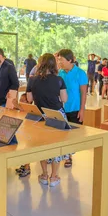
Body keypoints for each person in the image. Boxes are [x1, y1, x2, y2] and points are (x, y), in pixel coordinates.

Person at [25, 53, 69, 185]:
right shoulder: (59, 79)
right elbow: (64, 99)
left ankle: (44, 175)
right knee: (57, 146)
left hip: (40, 115)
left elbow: (29, 99)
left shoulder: (32, 80)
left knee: (42, 145)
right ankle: (54, 177)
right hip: (57, 115)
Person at [57, 49, 88, 168]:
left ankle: (69, 156)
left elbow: (83, 93)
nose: (59, 62)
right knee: (62, 134)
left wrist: (82, 110)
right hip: (61, 109)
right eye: (58, 59)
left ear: (70, 60)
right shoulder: (60, 73)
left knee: (72, 135)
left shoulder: (80, 73)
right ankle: (65, 155)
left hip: (75, 108)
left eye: (61, 59)